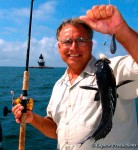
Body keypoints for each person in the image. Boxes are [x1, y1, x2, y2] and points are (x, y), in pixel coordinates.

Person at [12, 5, 138, 150]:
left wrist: (121, 30)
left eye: (81, 40)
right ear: (59, 47)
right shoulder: (60, 85)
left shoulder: (115, 69)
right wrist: (32, 118)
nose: (74, 47)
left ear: (90, 44)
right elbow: (56, 130)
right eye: (67, 42)